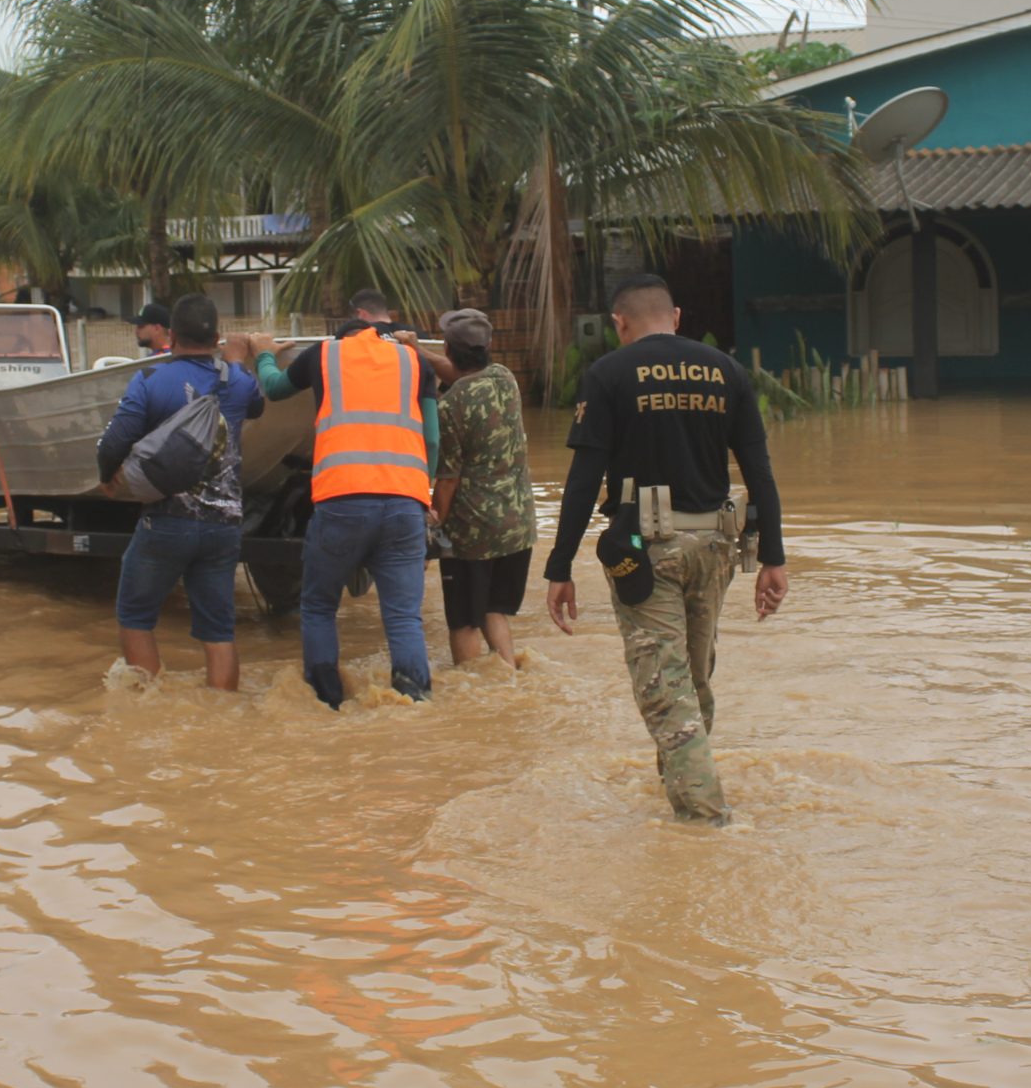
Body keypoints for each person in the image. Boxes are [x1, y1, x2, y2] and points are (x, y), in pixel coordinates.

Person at [543, 274, 787, 827]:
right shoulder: (727, 371)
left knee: (665, 689)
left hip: (647, 552)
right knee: (691, 682)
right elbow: (760, 474)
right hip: (716, 546)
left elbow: (583, 480)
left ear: (619, 323)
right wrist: (774, 557)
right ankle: (681, 792)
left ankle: (705, 822)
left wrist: (559, 568)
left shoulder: (608, 374)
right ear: (675, 317)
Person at [247, 317, 441, 709]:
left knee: (319, 605)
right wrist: (424, 493)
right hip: (405, 502)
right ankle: (414, 702)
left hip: (342, 501)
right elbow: (432, 438)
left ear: (342, 338)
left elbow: (274, 387)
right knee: (404, 616)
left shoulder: (325, 354)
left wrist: (264, 353)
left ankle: (327, 702)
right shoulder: (415, 362)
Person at [96, 294, 266, 691]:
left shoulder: (152, 380)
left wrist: (108, 476)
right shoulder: (238, 382)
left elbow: (113, 442)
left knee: (136, 617)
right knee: (219, 631)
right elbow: (256, 406)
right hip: (223, 526)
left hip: (167, 521)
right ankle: (221, 714)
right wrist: (237, 361)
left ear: (171, 336)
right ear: (218, 337)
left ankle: (151, 709)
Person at [431, 309, 534, 667]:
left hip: (473, 535)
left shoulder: (449, 407)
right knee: (494, 610)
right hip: (518, 528)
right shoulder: (506, 379)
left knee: (463, 622)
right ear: (488, 347)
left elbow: (447, 480)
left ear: (447, 348)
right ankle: (507, 679)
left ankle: (473, 695)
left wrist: (434, 520)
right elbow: (460, 375)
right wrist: (416, 350)